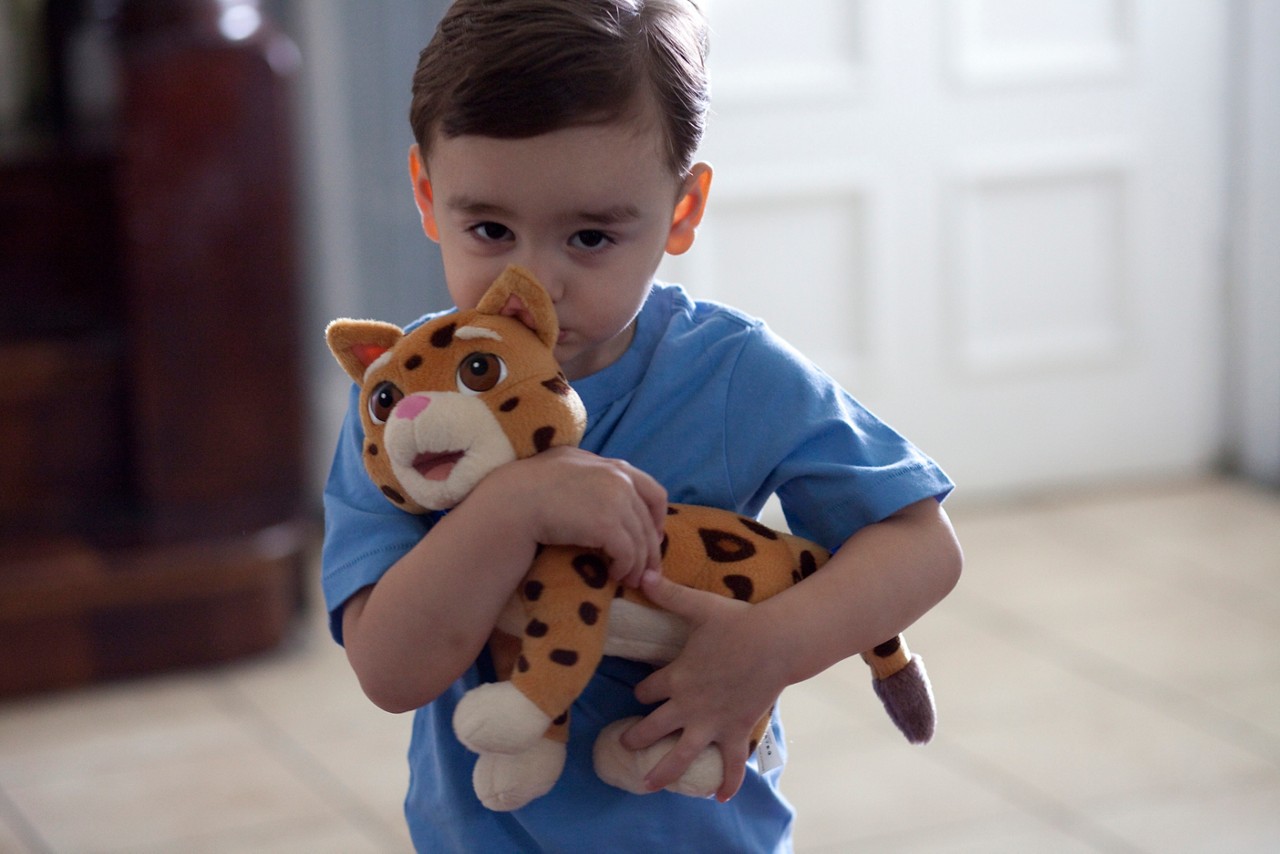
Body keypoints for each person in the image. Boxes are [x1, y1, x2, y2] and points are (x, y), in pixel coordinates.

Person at [321, 0, 963, 850]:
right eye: (489, 228)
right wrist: (512, 510)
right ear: (427, 196)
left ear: (683, 209)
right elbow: (391, 672)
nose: (534, 281)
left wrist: (770, 648)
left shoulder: (731, 372)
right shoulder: (404, 410)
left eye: (589, 236)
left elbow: (924, 547)